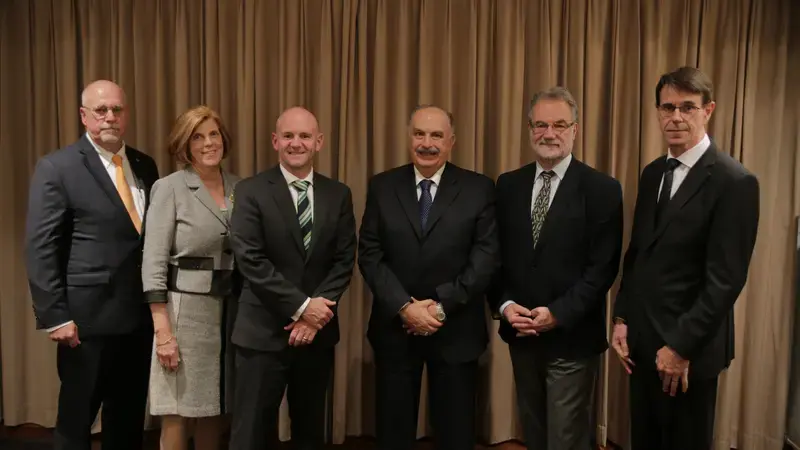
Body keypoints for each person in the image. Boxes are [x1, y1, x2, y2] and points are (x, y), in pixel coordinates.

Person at [611, 66, 760, 449]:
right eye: (667, 107)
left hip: (689, 351)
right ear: (658, 111)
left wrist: (679, 347)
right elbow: (638, 253)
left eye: (687, 107)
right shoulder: (652, 173)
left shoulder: (734, 181)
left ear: (708, 110)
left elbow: (726, 280)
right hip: (642, 344)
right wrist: (622, 316)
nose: (676, 117)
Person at [24, 80, 159, 449]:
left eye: (117, 109)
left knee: (128, 420)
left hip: (137, 318)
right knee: (76, 420)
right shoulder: (58, 167)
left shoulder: (146, 165)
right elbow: (40, 247)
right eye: (101, 110)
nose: (110, 117)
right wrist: (55, 315)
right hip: (84, 324)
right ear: (84, 116)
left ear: (127, 114)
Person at [489, 87, 623, 450]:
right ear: (529, 128)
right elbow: (494, 257)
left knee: (565, 439)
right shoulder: (508, 185)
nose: (549, 133)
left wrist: (557, 314)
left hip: (572, 338)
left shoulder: (602, 189)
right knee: (534, 433)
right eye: (541, 125)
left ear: (575, 130)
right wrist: (504, 306)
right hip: (521, 336)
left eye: (560, 125)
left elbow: (602, 269)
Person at [358, 105, 498, 450]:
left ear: (452, 141)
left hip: (455, 329)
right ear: (409, 139)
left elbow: (485, 258)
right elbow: (370, 254)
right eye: (419, 134)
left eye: (436, 135)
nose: (427, 143)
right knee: (392, 433)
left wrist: (439, 307)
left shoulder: (479, 188)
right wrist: (405, 307)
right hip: (395, 329)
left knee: (456, 434)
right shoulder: (382, 186)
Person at [227, 106, 357, 450]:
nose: (295, 143)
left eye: (304, 136)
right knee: (251, 433)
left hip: (318, 336)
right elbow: (251, 260)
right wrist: (302, 308)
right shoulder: (250, 190)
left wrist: (315, 318)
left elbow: (344, 260)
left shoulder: (338, 193)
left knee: (310, 432)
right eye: (288, 136)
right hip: (261, 333)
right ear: (275, 141)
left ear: (319, 142)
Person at [141, 105, 241, 450]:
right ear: (185, 144)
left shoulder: (241, 188)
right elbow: (153, 262)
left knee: (214, 407)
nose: (208, 143)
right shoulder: (169, 188)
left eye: (214, 134)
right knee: (179, 410)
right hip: (184, 312)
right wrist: (163, 332)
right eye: (197, 137)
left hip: (230, 311)